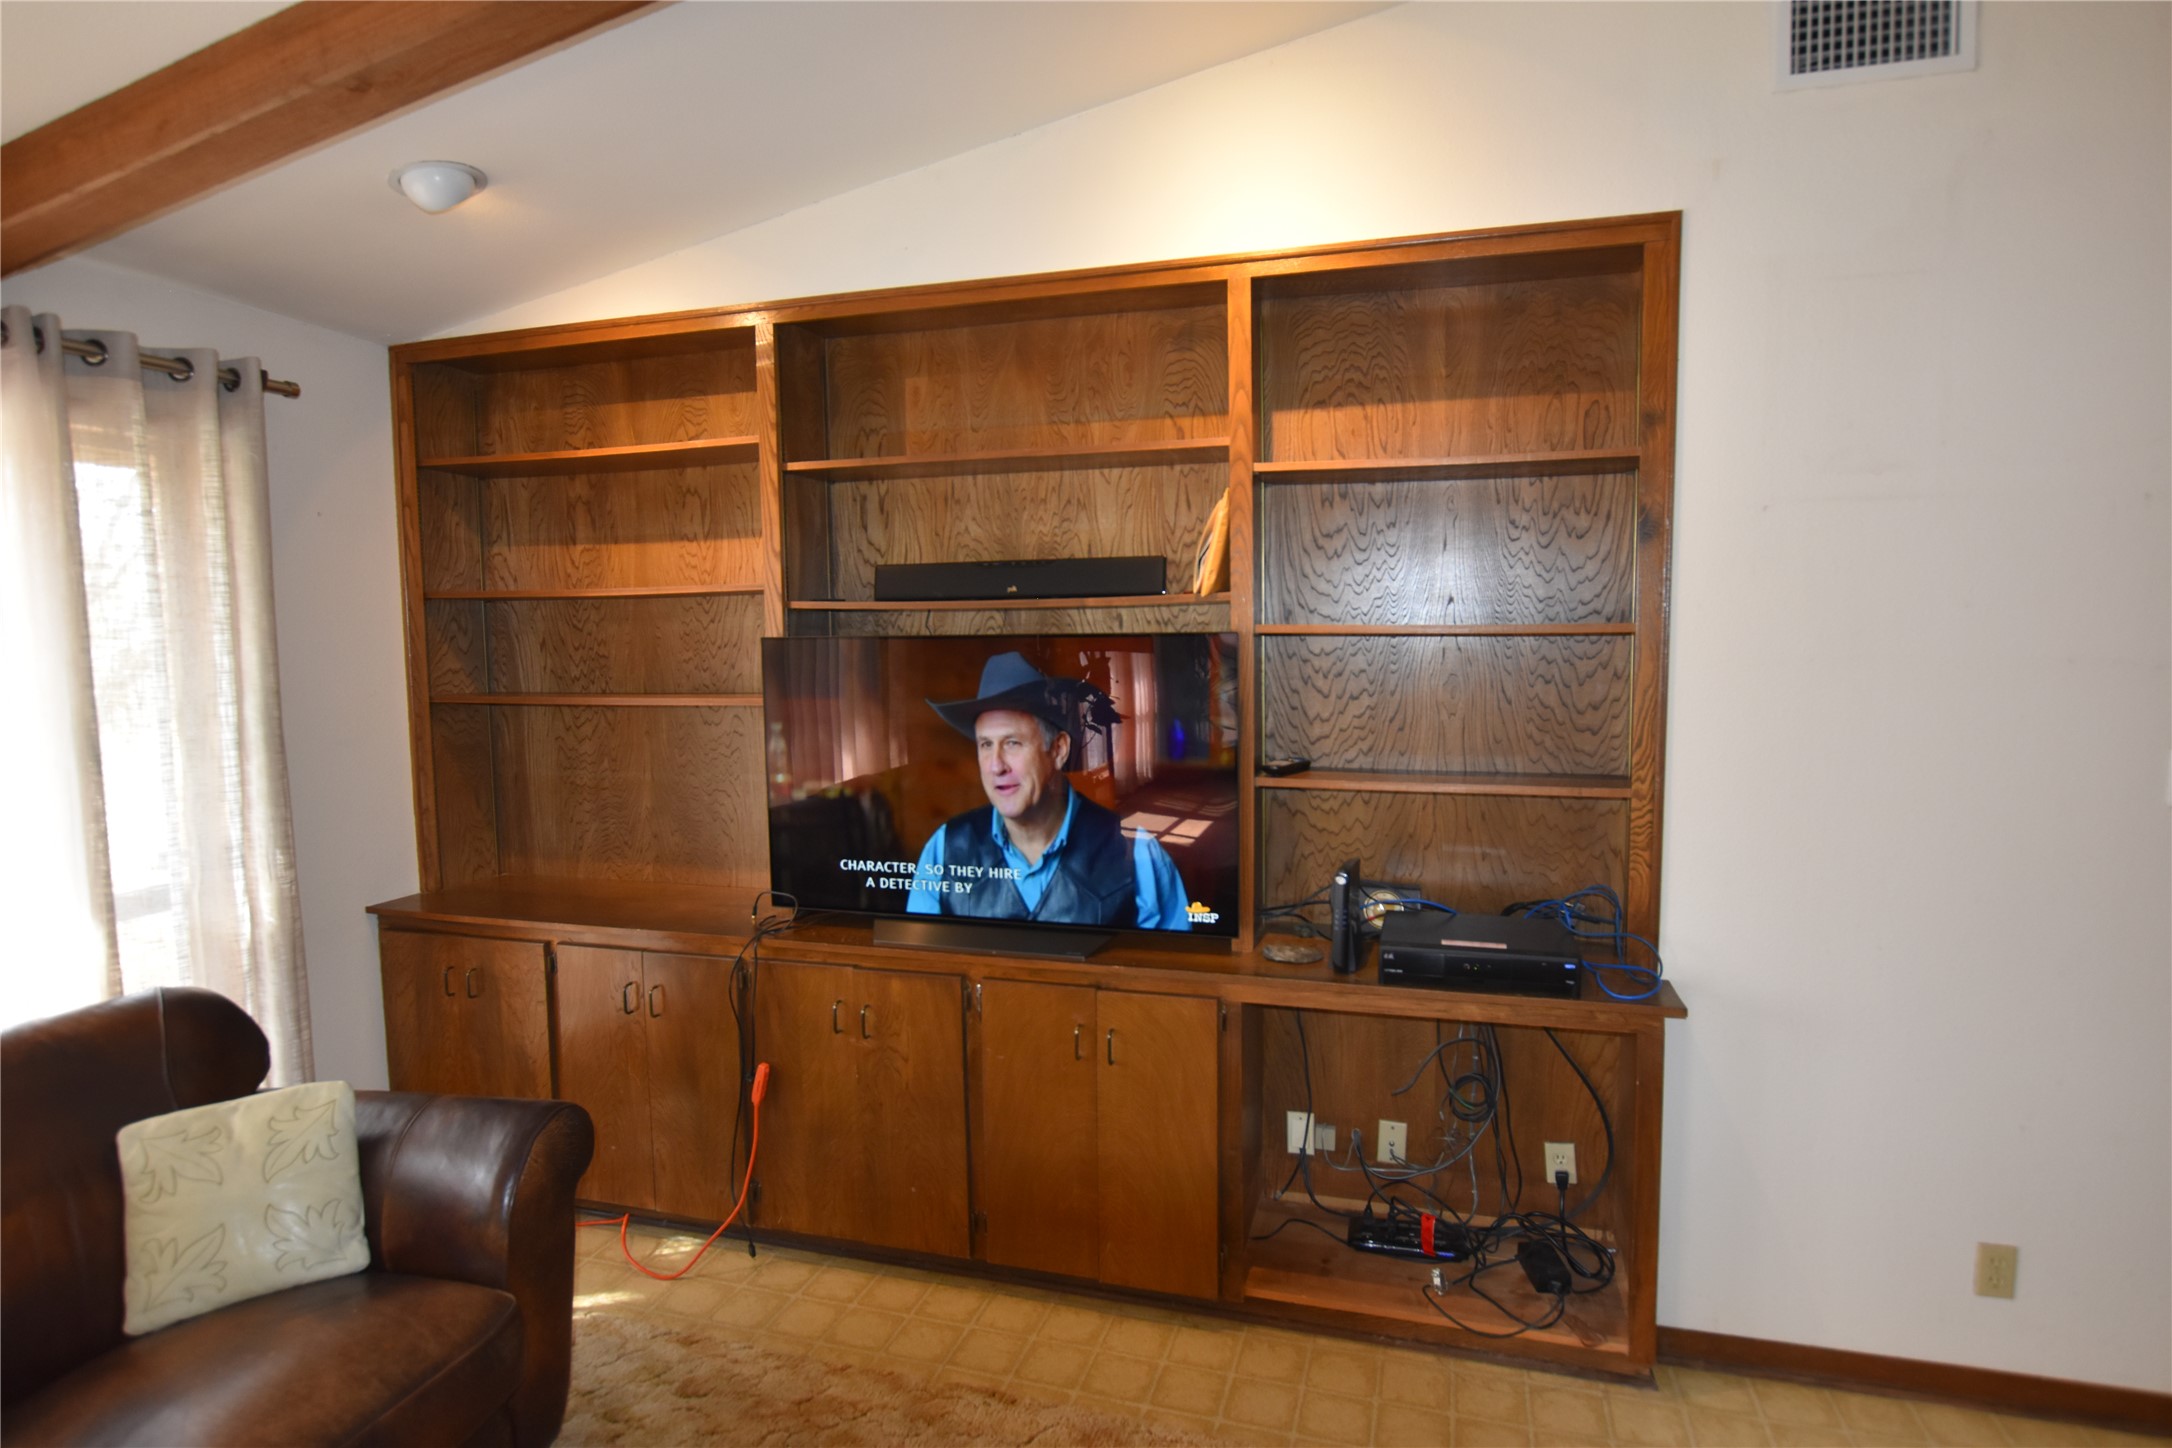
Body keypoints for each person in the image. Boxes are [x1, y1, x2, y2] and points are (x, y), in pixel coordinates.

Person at [907, 651, 1190, 930]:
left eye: (1012, 743)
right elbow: (920, 967)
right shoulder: (945, 848)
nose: (996, 766)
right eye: (985, 745)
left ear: (1058, 750)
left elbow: (1172, 969)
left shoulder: (1137, 854)